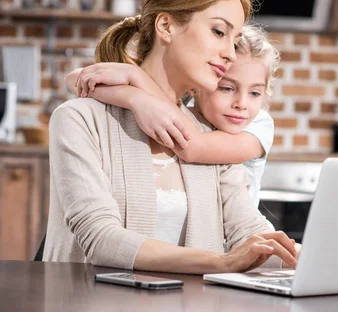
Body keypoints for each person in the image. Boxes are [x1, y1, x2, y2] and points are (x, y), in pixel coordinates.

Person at [43, 0, 297, 274]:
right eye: (219, 31)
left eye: (234, 40)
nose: (230, 53)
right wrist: (224, 261)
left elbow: (249, 231)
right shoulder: (80, 121)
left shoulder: (212, 135)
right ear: (166, 27)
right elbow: (99, 239)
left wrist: (313, 257)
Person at [67, 24, 280, 220]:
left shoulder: (258, 126)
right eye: (227, 88)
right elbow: (75, 78)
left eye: (255, 93)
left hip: (238, 240)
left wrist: (135, 77)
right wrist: (135, 99)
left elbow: (192, 146)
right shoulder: (180, 111)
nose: (241, 104)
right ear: (198, 85)